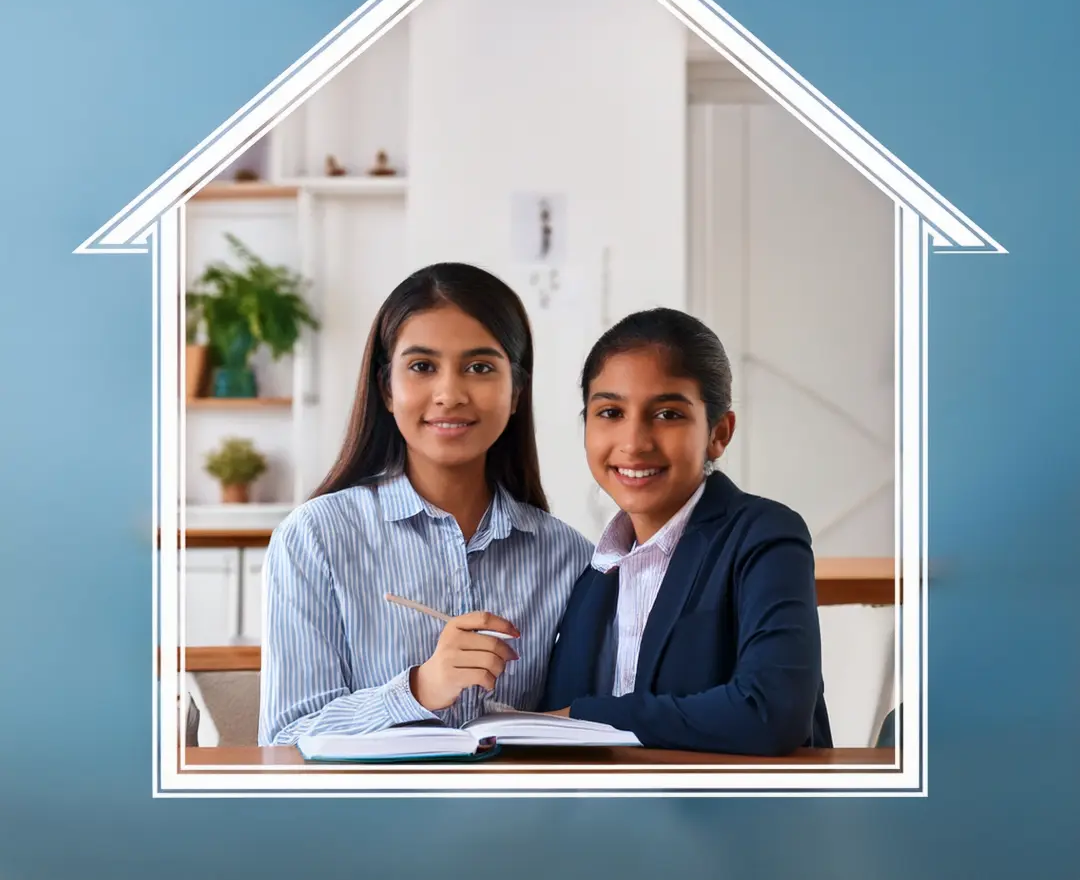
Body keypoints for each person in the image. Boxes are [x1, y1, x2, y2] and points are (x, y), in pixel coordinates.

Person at [258, 263, 592, 746]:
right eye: (421, 367)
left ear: (516, 391)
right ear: (386, 390)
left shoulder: (569, 557)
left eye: (480, 367)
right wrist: (420, 689)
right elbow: (285, 738)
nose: (450, 394)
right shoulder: (315, 537)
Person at [541, 308, 832, 755]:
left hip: (738, 818)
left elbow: (771, 711)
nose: (634, 442)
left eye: (668, 414)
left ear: (718, 432)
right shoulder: (592, 573)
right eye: (611, 412)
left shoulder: (765, 536)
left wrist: (593, 716)